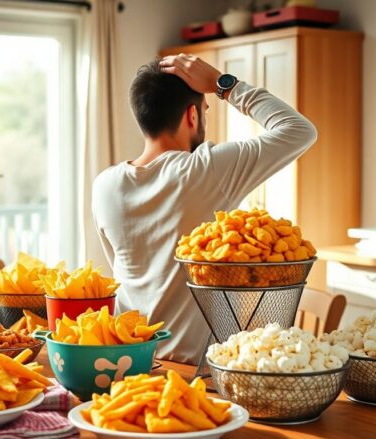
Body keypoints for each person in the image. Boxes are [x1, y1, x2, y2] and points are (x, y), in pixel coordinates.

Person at [91, 54, 318, 364]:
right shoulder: (207, 169)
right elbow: (298, 130)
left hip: (134, 360)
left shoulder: (105, 185)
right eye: (206, 110)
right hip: (204, 371)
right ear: (192, 116)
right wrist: (224, 85)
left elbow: (123, 269)